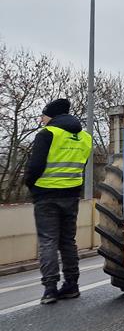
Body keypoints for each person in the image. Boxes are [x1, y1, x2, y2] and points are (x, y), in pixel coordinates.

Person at [24, 98, 92, 305]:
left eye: (43, 116)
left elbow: (35, 166)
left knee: (48, 241)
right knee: (67, 241)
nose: (41, 120)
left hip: (46, 196)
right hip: (71, 195)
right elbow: (82, 165)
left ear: (51, 116)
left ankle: (50, 288)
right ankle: (72, 285)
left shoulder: (47, 134)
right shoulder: (85, 137)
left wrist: (30, 184)